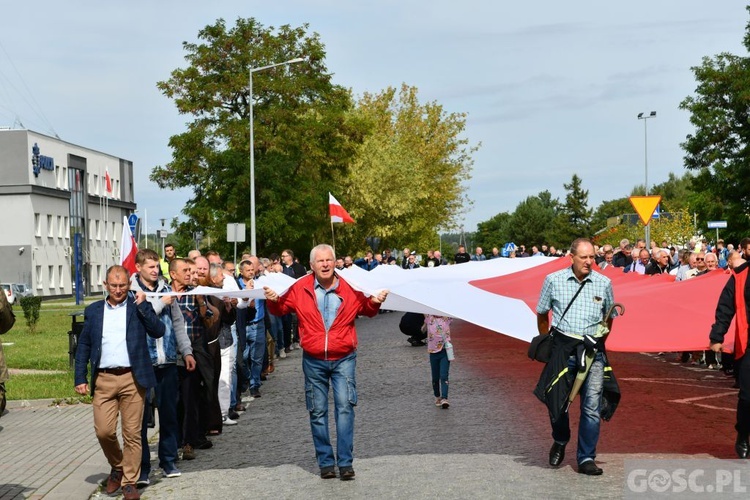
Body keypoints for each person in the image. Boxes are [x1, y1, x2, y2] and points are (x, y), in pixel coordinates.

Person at [264, 244, 388, 481]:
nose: (325, 264)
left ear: (335, 262)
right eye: (320, 261)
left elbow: (368, 310)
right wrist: (271, 300)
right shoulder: (300, 287)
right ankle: (326, 463)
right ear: (311, 266)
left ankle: (345, 463)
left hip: (344, 357)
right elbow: (280, 309)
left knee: (345, 408)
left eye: (329, 260)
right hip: (313, 360)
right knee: (317, 412)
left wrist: (375, 301)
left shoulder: (351, 287)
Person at [74, 265, 166, 500]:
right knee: (104, 431)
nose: (118, 290)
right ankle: (118, 466)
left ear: (129, 285)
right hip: (103, 379)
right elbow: (84, 344)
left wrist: (144, 305)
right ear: (105, 285)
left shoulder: (137, 308)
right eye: (113, 285)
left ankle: (129, 482)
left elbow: (158, 331)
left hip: (133, 379)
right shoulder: (94, 311)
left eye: (122, 285)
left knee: (133, 434)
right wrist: (80, 377)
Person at [533, 238, 618, 476]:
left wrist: (600, 342)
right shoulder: (553, 280)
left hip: (593, 352)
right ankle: (560, 438)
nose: (590, 262)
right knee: (557, 403)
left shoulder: (604, 283)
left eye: (593, 257)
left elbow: (609, 316)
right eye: (584, 257)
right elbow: (541, 313)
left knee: (591, 407)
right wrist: (548, 343)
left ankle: (586, 457)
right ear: (572, 257)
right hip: (562, 349)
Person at [129, 249, 195, 486]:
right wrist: (158, 305)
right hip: (143, 364)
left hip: (166, 360)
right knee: (141, 420)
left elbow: (178, 323)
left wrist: (186, 351)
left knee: (169, 414)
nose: (155, 271)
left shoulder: (167, 290)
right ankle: (143, 468)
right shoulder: (130, 292)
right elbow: (138, 320)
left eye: (157, 266)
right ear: (138, 268)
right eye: (150, 267)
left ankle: (168, 460)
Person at [425, 315, 453, 409]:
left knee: (444, 375)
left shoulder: (447, 318)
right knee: (435, 377)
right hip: (433, 352)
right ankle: (437, 396)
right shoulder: (429, 318)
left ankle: (445, 398)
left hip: (444, 350)